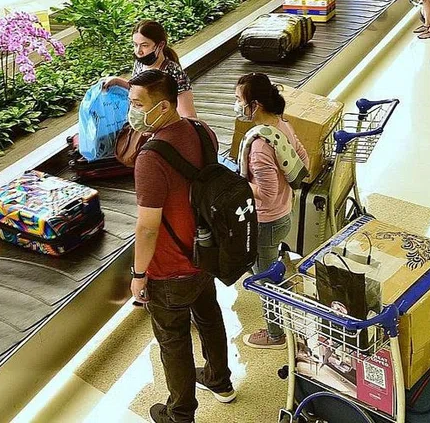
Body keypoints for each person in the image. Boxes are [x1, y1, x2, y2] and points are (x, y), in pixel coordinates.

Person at [128, 69, 235, 423]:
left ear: (162, 106)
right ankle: (219, 380)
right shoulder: (202, 131)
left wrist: (139, 274)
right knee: (209, 317)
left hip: (170, 268)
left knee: (173, 340)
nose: (132, 111)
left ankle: (180, 414)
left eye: (137, 104)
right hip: (205, 252)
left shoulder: (151, 157)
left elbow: (147, 228)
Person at [234, 73, 309, 350]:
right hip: (283, 213)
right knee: (263, 267)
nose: (236, 106)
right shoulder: (281, 125)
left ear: (255, 105)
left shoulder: (259, 147)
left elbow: (265, 192)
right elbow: (303, 158)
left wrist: (238, 183)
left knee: (264, 280)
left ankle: (276, 335)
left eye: (239, 100)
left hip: (266, 221)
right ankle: (288, 301)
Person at [105, 20, 198, 119]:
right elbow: (139, 90)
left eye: (144, 45)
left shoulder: (173, 73)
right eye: (135, 45)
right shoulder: (140, 64)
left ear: (160, 45)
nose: (138, 51)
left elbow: (189, 116)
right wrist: (117, 81)